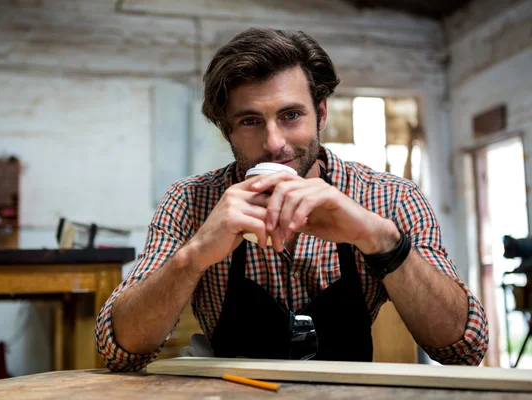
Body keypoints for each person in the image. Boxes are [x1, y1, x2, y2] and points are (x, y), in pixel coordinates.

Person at [95, 28, 488, 371]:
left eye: (290, 116)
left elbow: (465, 348)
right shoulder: (190, 202)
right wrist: (193, 256)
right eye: (250, 121)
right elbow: (119, 352)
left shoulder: (390, 197)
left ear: (320, 113)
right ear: (225, 129)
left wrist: (382, 241)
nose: (274, 143)